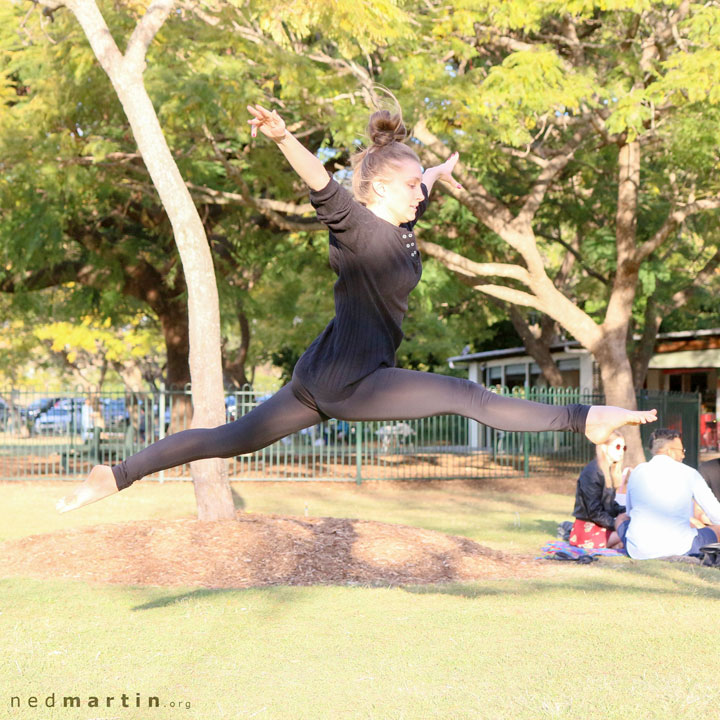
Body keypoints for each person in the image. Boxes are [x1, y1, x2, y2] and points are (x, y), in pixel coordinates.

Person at [56, 103, 657, 513]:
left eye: (423, 183)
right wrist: (286, 138)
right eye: (413, 184)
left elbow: (428, 184)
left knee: (226, 438)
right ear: (379, 190)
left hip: (321, 376)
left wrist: (439, 172)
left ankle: (113, 475)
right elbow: (321, 184)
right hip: (354, 380)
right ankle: (585, 419)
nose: (422, 192)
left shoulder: (401, 221)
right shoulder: (358, 227)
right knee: (468, 396)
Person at [620, 429, 720, 559]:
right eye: (682, 451)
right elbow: (717, 515)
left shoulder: (637, 471)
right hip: (682, 548)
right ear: (670, 451)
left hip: (638, 550)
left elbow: (629, 513)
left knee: (621, 519)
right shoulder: (689, 473)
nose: (683, 456)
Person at [569, 431, 629, 550]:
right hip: (587, 528)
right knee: (629, 534)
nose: (621, 451)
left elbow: (608, 504)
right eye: (617, 447)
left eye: (624, 447)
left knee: (628, 533)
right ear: (604, 447)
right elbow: (594, 511)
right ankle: (614, 542)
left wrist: (625, 511)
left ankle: (615, 543)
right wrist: (616, 524)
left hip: (601, 525)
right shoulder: (593, 472)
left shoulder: (609, 470)